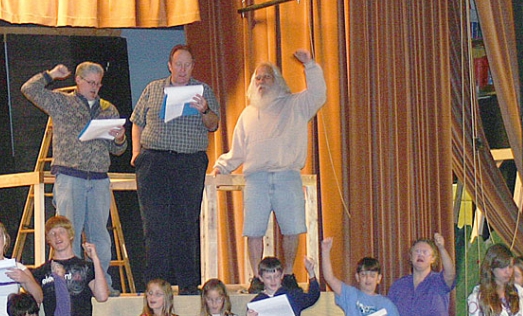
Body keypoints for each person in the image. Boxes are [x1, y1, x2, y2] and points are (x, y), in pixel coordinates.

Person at [214, 49, 327, 293]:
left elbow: (319, 94)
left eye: (267, 77)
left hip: (287, 175)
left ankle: (287, 275)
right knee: (253, 231)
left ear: (278, 81)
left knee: (292, 229)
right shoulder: (247, 114)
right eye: (258, 78)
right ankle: (257, 277)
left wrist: (309, 65)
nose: (262, 82)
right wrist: (222, 166)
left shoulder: (296, 104)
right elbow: (238, 151)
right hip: (256, 179)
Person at [21, 62, 127, 287]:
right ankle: (70, 283)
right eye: (90, 82)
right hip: (70, 177)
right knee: (69, 233)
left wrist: (119, 139)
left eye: (98, 83)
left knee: (100, 237)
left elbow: (117, 150)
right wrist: (50, 75)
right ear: (78, 80)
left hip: (98, 178)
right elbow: (28, 90)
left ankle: (100, 283)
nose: (95, 88)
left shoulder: (108, 109)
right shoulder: (62, 102)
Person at [131, 45, 220, 295]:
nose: (182, 69)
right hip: (154, 162)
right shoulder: (153, 88)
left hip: (189, 163)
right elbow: (136, 122)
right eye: (178, 64)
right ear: (169, 65)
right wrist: (136, 154)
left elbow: (214, 124)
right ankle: (155, 286)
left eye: (188, 64)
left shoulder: (203, 90)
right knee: (155, 225)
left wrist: (204, 109)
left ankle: (188, 284)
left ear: (193, 66)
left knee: (185, 224)